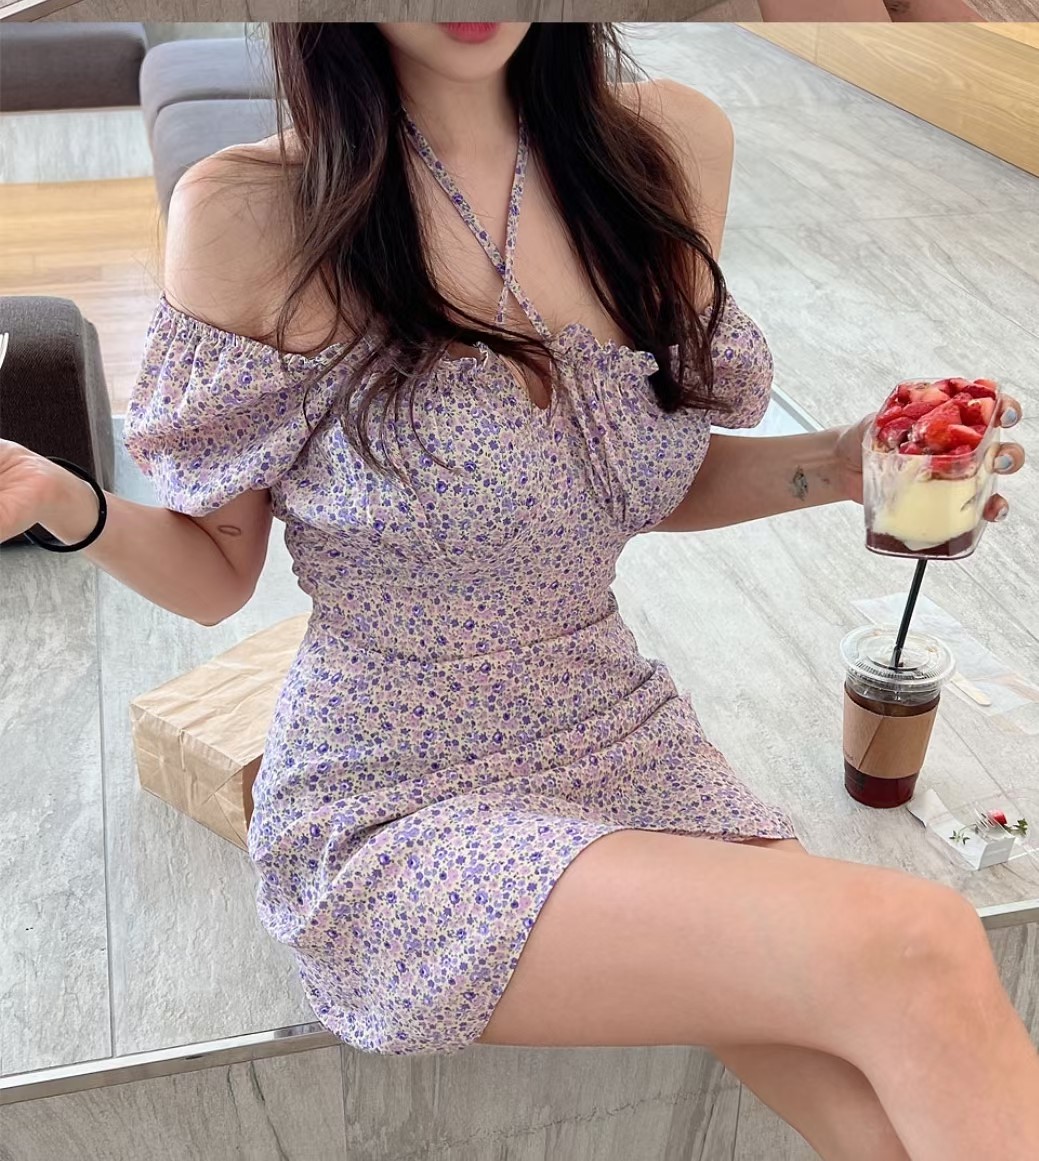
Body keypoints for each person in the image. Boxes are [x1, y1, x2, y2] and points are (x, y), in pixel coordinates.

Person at [0, 22, 1034, 1160]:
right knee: (917, 942)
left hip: (617, 730)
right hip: (393, 787)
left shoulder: (665, 151)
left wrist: (835, 464)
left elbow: (630, 475)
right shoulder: (256, 213)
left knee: (880, 1107)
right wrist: (62, 499)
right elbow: (212, 574)